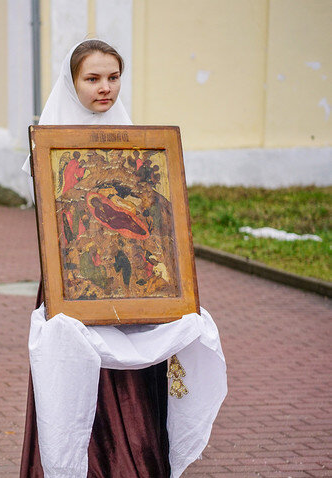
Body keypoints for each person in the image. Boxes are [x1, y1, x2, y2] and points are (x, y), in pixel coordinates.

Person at [18, 39, 225, 477]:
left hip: (133, 289)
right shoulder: (51, 149)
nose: (104, 88)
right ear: (72, 82)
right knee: (76, 385)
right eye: (92, 78)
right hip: (75, 284)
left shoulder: (142, 146)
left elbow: (154, 217)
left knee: (134, 391)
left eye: (113, 77)